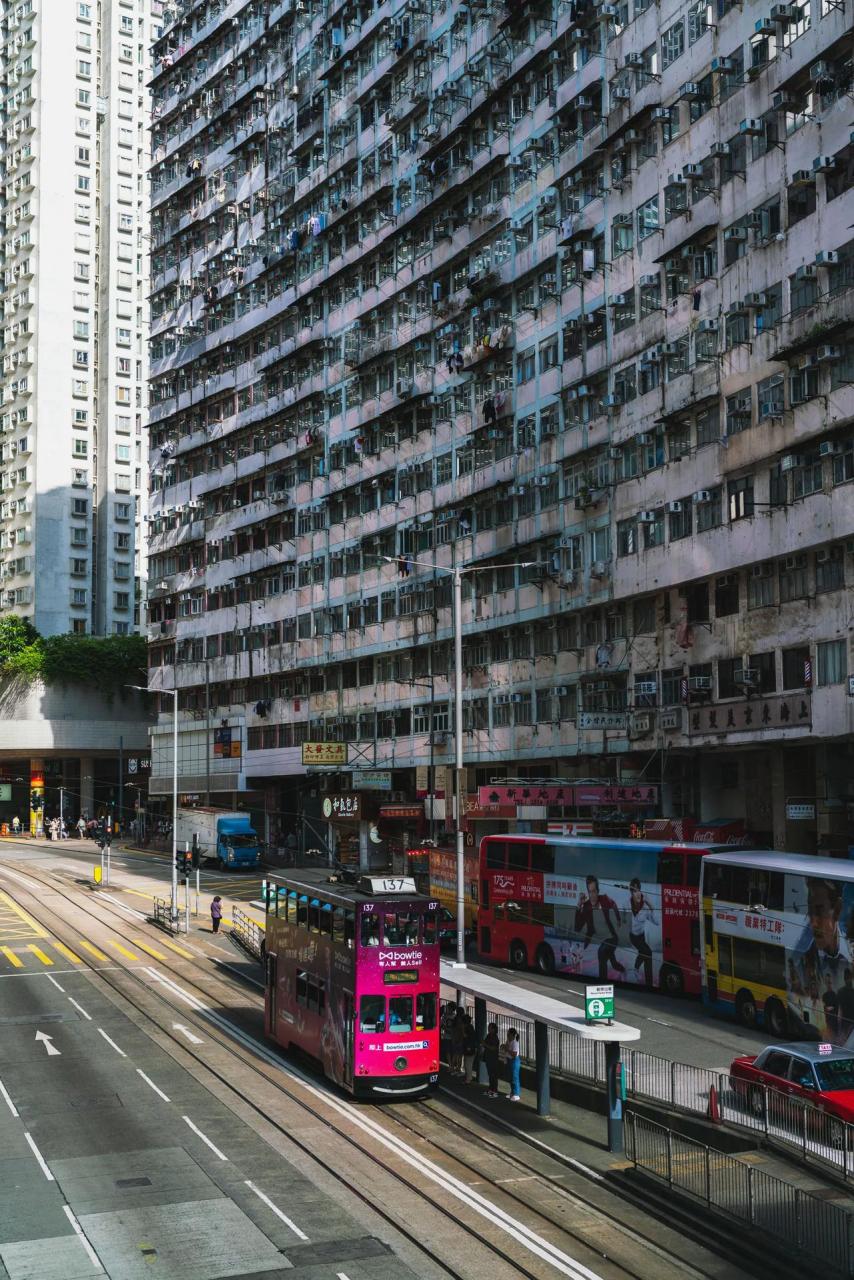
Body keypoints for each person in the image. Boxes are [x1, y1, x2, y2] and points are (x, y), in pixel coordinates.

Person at [575, 874, 626, 981]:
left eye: (594, 891)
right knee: (614, 964)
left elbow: (614, 904)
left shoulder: (604, 899)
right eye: (590, 891)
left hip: (611, 938)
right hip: (602, 940)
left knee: (601, 953)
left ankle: (602, 983)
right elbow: (577, 928)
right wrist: (578, 906)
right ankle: (623, 970)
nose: (592, 894)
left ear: (598, 891)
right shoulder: (587, 906)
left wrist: (618, 919)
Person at [627, 878, 656, 987]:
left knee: (644, 953)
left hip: (641, 936)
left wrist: (651, 907)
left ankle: (636, 970)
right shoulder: (627, 903)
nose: (637, 893)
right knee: (648, 953)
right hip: (633, 936)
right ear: (631, 892)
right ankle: (648, 982)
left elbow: (657, 922)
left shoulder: (644, 905)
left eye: (638, 890)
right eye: (634, 891)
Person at [481, 1022, 501, 1098]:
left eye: (490, 1027)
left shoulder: (495, 1038)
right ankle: (491, 1089)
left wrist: (484, 1044)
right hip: (488, 1058)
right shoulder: (489, 1035)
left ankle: (495, 1091)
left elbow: (493, 1048)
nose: (488, 1028)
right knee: (490, 1075)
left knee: (494, 1075)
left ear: (493, 1029)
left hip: (493, 1059)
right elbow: (486, 1044)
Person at [503, 1027, 521, 1101]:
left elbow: (514, 1054)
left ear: (512, 1035)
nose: (507, 1035)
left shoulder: (515, 1043)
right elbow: (506, 1048)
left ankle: (516, 1094)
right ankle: (512, 1092)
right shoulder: (508, 1041)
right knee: (510, 1077)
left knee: (514, 1077)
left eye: (508, 1034)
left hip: (514, 1061)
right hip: (509, 1060)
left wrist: (507, 1049)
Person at [462, 1015, 478, 1084]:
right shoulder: (470, 1027)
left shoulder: (468, 1027)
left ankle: (468, 1079)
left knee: (468, 1064)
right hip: (471, 1048)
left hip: (469, 1048)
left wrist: (462, 1030)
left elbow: (466, 1036)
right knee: (468, 1063)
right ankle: (468, 1078)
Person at [450, 1010, 466, 1076]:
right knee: (460, 1057)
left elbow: (452, 1031)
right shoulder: (461, 1022)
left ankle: (453, 1069)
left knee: (454, 1055)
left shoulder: (454, 1020)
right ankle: (458, 1070)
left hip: (454, 1040)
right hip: (460, 1041)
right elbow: (462, 1032)